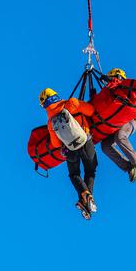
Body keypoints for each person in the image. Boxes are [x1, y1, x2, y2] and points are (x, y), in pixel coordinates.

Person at [39, 88, 98, 217]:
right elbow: (91, 110)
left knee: (74, 174)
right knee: (90, 170)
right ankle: (87, 196)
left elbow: (55, 144)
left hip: (70, 149)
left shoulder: (50, 121)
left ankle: (84, 196)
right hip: (85, 141)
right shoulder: (71, 103)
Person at [99, 68, 136, 183]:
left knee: (120, 137)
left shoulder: (123, 87)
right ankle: (128, 167)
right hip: (116, 123)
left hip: (128, 121)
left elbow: (118, 85)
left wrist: (109, 79)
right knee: (105, 146)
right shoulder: (111, 90)